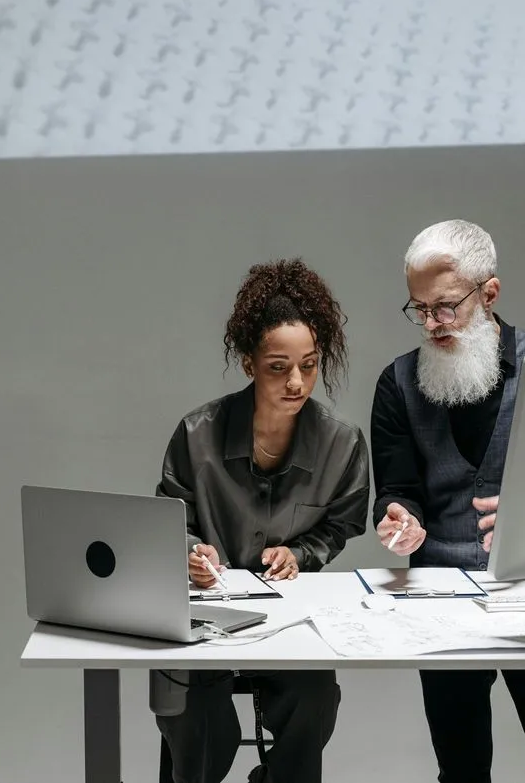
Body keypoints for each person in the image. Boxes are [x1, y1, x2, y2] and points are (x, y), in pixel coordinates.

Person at [370, 219, 525, 783]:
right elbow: (397, 489)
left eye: (445, 307)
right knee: (461, 768)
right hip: (437, 594)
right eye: (419, 309)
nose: (431, 324)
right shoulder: (397, 382)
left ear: (489, 293)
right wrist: (399, 519)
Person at [155, 258, 370, 783]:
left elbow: (340, 525)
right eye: (278, 367)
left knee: (312, 699)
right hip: (204, 618)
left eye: (309, 365)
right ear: (249, 362)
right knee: (196, 717)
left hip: (289, 619)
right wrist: (192, 552)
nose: (297, 382)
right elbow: (169, 518)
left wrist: (300, 554)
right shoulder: (197, 434)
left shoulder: (342, 444)